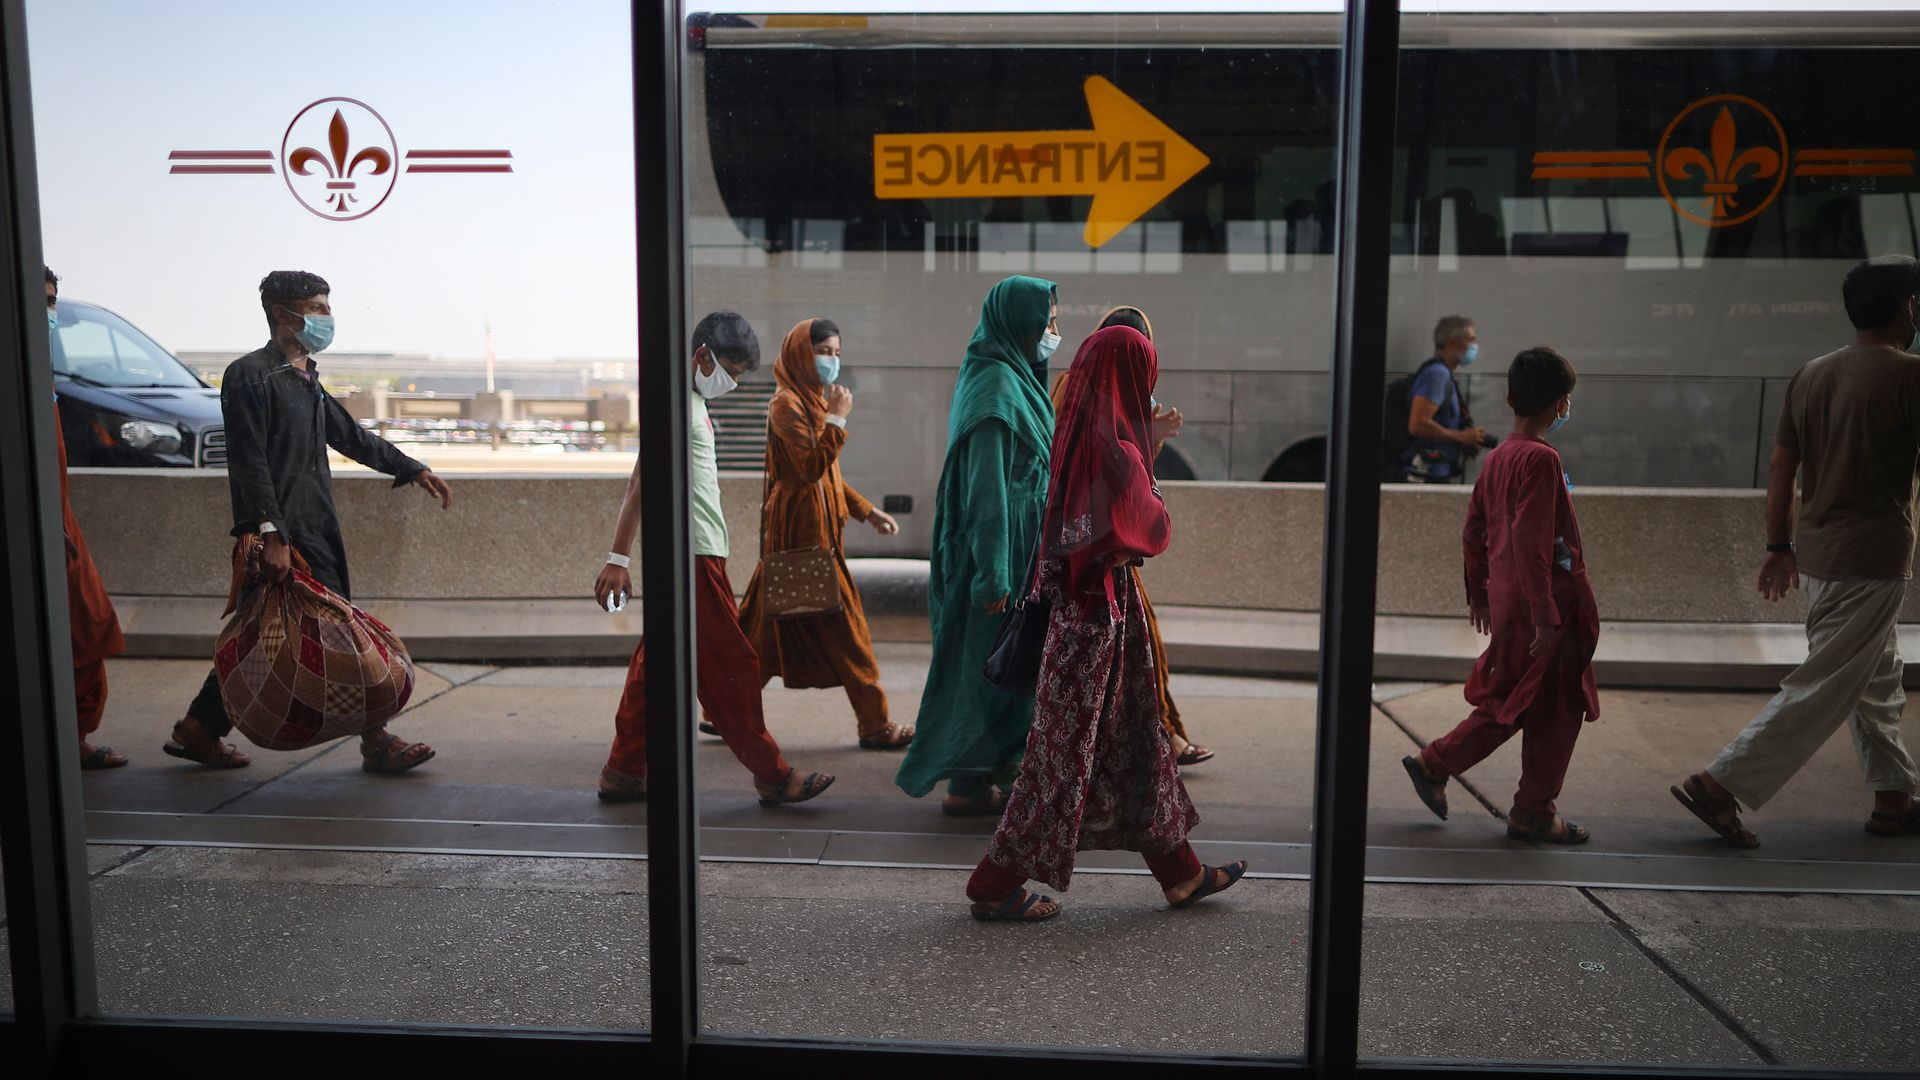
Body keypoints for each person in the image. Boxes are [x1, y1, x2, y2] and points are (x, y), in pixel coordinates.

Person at [965, 325, 1247, 922]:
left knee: (1138, 742)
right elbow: (1152, 523)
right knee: (1063, 760)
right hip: (1095, 622)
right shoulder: (1115, 448)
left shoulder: (1081, 432)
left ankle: (1182, 873)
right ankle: (992, 884)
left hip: (1086, 616)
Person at [1673, 255, 1920, 846]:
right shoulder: (1911, 377)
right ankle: (1717, 784)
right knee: (1824, 686)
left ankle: (1893, 799)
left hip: (1817, 555)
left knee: (1876, 677)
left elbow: (1783, 465)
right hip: (1874, 557)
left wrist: (1778, 545)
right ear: (1906, 307)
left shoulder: (1811, 373)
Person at [163, 271, 450, 773]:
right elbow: (248, 460)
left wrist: (412, 467)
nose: (326, 318)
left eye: (326, 308)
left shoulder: (305, 376)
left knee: (261, 631)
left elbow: (350, 436)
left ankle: (199, 729)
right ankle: (376, 739)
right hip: (283, 535)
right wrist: (271, 532)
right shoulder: (250, 374)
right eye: (315, 309)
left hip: (316, 525)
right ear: (282, 314)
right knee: (336, 632)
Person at [596, 311, 833, 807]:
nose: (734, 383)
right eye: (731, 371)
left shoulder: (692, 402)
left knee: (652, 669)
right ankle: (773, 774)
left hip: (697, 550)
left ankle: (623, 770)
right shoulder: (678, 408)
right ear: (702, 356)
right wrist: (618, 557)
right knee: (733, 665)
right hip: (692, 554)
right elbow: (641, 482)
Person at [1402, 347, 1599, 844]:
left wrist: (1482, 594)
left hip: (1511, 599)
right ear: (1561, 406)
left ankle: (1443, 765)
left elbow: (1475, 531)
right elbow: (1536, 543)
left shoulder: (1498, 458)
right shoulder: (1540, 459)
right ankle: (1529, 808)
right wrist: (1547, 615)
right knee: (1554, 708)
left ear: (1510, 397)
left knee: (1513, 696)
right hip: (1546, 607)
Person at [895, 275, 1058, 816]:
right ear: (1020, 322)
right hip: (1002, 554)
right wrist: (994, 576)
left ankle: (974, 784)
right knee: (998, 671)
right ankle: (997, 783)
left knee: (996, 668)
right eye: (1047, 322)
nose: (1054, 332)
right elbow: (987, 491)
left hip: (1021, 548)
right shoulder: (994, 389)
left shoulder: (1014, 377)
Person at [1049, 305, 1212, 766]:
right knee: (1119, 685)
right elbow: (1150, 522)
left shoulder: (1091, 414)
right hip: (1103, 587)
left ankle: (1161, 746)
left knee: (1104, 694)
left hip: (1074, 576)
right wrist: (1146, 453)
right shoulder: (1116, 444)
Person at [738, 318, 910, 750]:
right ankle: (875, 724)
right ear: (800, 354)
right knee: (847, 628)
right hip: (802, 536)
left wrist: (866, 511)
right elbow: (811, 467)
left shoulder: (810, 401)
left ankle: (722, 709)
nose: (832, 361)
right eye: (823, 352)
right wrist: (837, 418)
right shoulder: (787, 405)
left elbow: (829, 475)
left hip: (810, 532)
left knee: (760, 630)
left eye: (836, 352)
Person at [46, 267, 128, 770]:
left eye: (51, 301)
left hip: (60, 524)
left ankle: (71, 735)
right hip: (47, 528)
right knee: (85, 627)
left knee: (90, 627)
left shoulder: (43, 376)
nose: (48, 312)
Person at [1395, 314, 1488, 483]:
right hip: (1427, 474)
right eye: (1470, 340)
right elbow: (1418, 425)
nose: (1474, 347)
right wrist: (1462, 436)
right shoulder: (1437, 375)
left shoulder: (1445, 375)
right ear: (1453, 342)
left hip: (1438, 470)